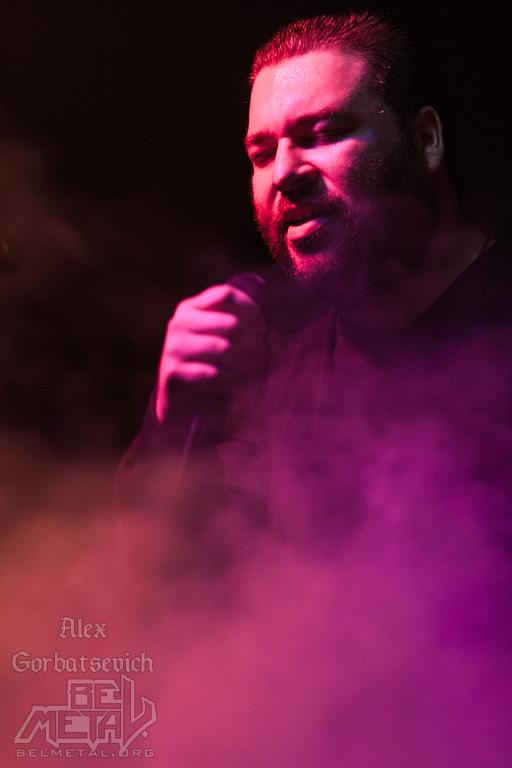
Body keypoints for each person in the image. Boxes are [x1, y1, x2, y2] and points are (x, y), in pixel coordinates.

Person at [119, 10, 510, 563]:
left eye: (323, 134)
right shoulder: (278, 380)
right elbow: (151, 581)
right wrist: (171, 428)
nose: (283, 172)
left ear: (426, 140)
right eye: (261, 154)